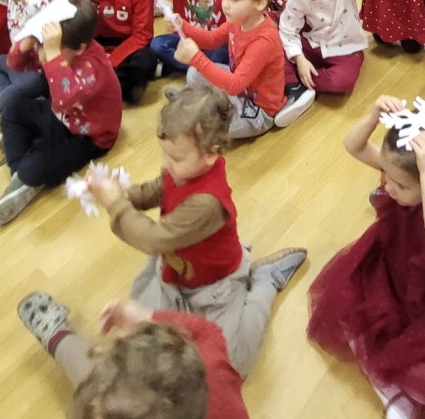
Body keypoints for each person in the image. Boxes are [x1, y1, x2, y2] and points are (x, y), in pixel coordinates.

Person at [83, 86, 308, 379]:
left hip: (216, 285)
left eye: (175, 158)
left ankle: (265, 281)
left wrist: (116, 204)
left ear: (212, 154)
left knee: (231, 363)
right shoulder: (183, 168)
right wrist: (122, 194)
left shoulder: (207, 202)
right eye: (165, 155)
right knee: (142, 330)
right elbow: (157, 189)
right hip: (178, 270)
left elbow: (155, 240)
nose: (166, 164)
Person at [307, 97, 425, 418]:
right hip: (396, 270)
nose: (388, 189)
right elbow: (353, 146)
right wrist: (373, 116)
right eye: (388, 178)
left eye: (400, 185)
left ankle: (402, 392)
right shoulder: (404, 178)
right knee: (353, 305)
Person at [0, 0, 121, 226]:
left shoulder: (92, 67)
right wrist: (25, 46)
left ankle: (26, 166)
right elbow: (15, 65)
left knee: (32, 169)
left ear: (79, 48)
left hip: (88, 138)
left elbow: (62, 99)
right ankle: (21, 170)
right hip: (62, 117)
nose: (42, 52)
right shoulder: (60, 46)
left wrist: (52, 57)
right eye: (42, 44)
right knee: (12, 111)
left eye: (49, 47)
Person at [17, 295, 248, 419]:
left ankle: (56, 335)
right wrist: (147, 316)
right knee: (86, 371)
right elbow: (207, 332)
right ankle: (57, 336)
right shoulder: (213, 373)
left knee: (83, 368)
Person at [176, 0, 314, 136]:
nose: (225, 4)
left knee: (213, 130)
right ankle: (199, 108)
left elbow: (235, 85)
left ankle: (196, 110)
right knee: (194, 73)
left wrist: (196, 58)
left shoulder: (263, 41)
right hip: (240, 88)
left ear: (260, 2)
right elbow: (211, 39)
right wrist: (182, 26)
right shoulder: (238, 20)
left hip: (258, 109)